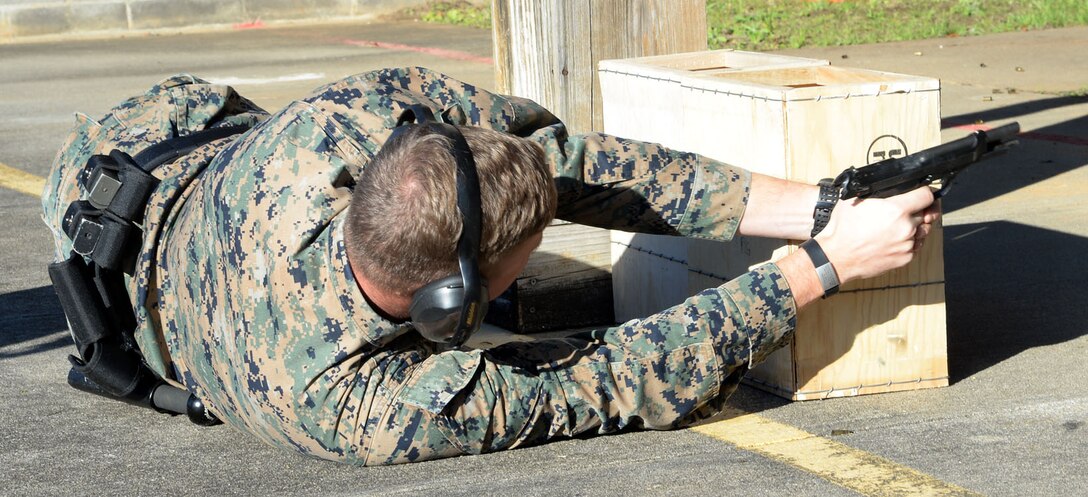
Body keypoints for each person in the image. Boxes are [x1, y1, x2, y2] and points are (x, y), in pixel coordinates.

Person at [42, 67, 938, 466]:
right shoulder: (349, 404)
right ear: (455, 299)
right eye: (524, 262)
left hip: (165, 140)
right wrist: (819, 268)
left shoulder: (358, 118)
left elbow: (558, 155)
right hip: (108, 216)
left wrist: (813, 203)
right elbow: (617, 378)